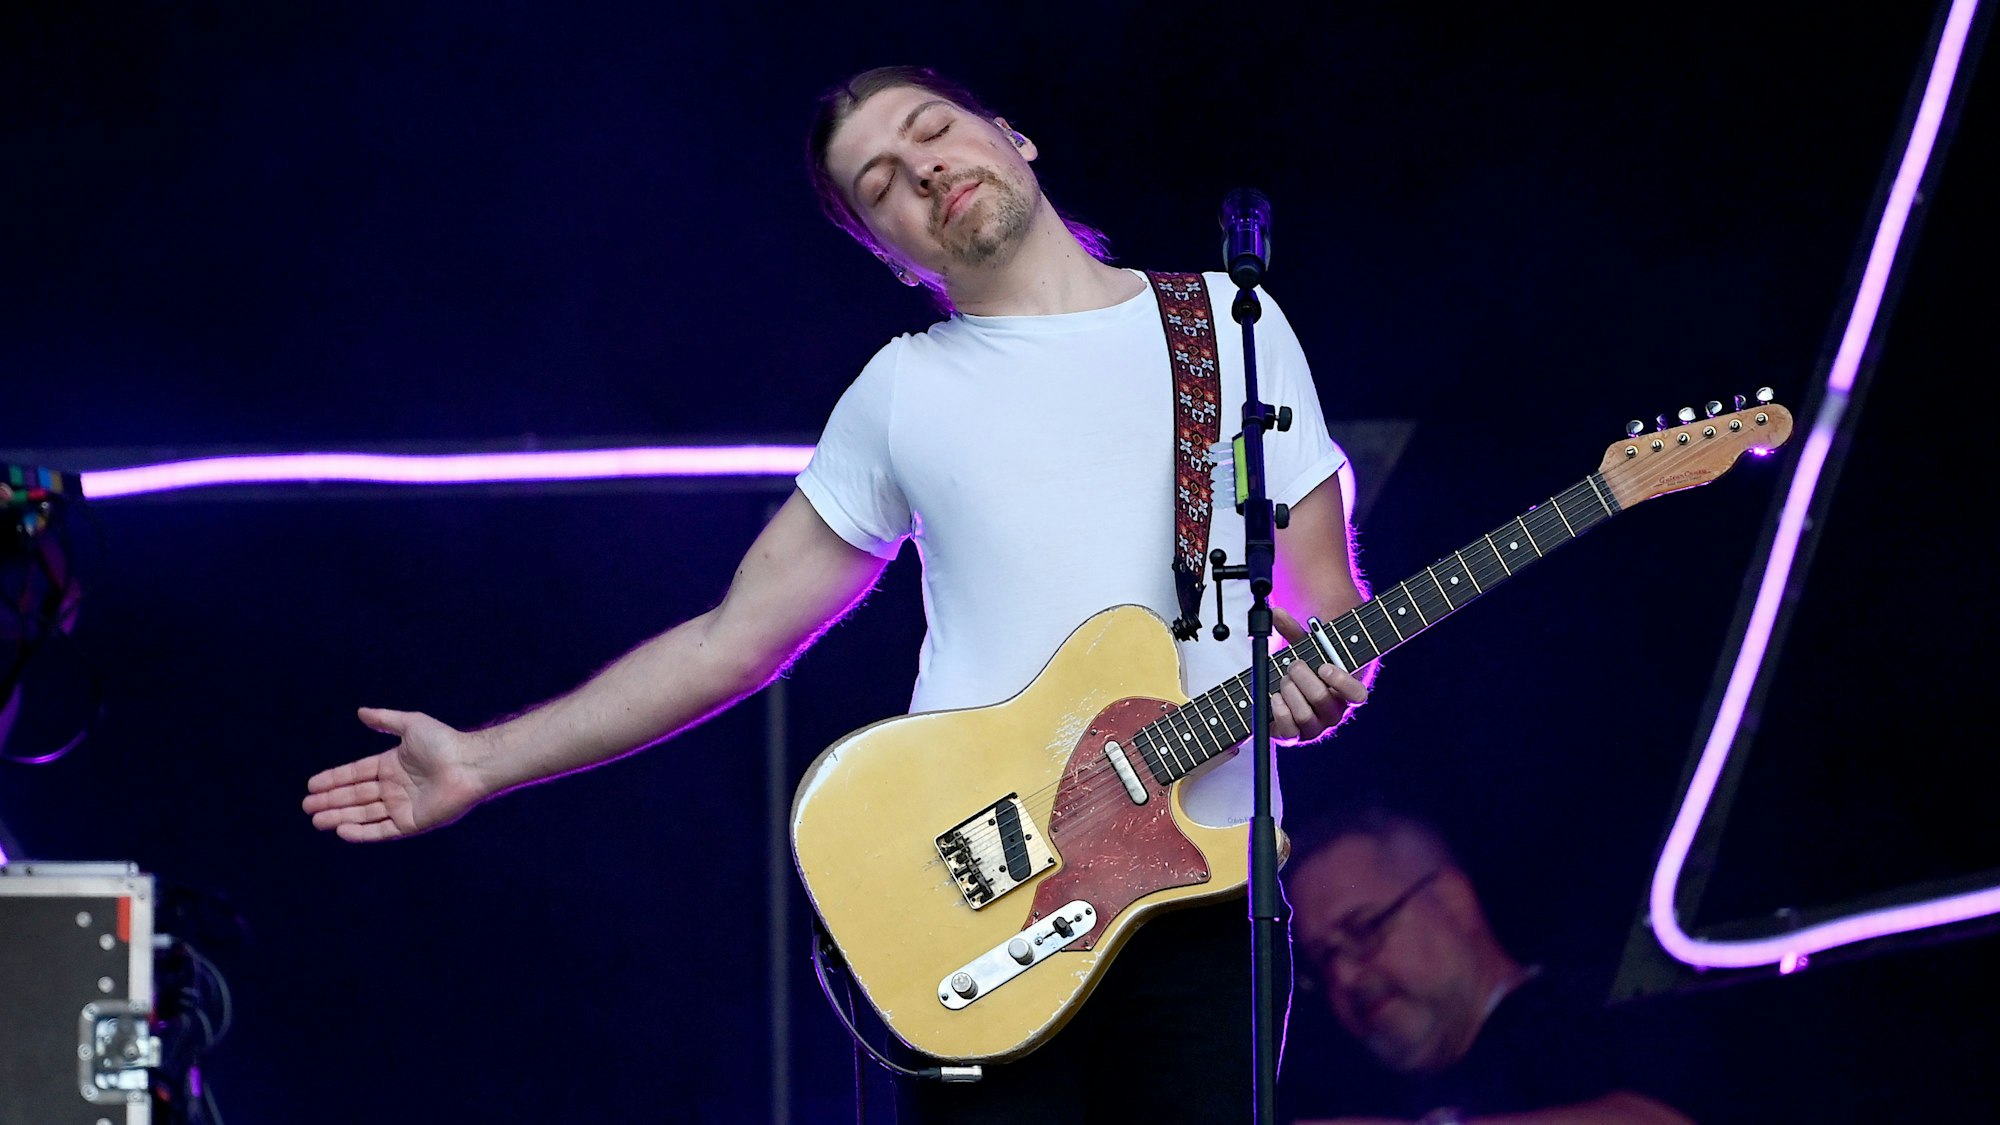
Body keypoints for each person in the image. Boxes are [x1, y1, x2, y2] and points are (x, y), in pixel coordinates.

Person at [302, 65, 1372, 1122]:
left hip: (1206, 895)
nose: (923, 171)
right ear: (890, 256)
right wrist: (482, 760)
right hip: (983, 893)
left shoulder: (1230, 325)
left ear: (1012, 135)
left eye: (932, 130)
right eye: (881, 183)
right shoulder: (902, 391)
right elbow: (732, 640)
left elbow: (1325, 607)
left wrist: (1321, 680)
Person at [1281, 807, 1695, 1125]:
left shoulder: (1603, 1012)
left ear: (1452, 900)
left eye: (1364, 929)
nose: (1344, 976)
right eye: (1323, 959)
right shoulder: (1373, 1092)